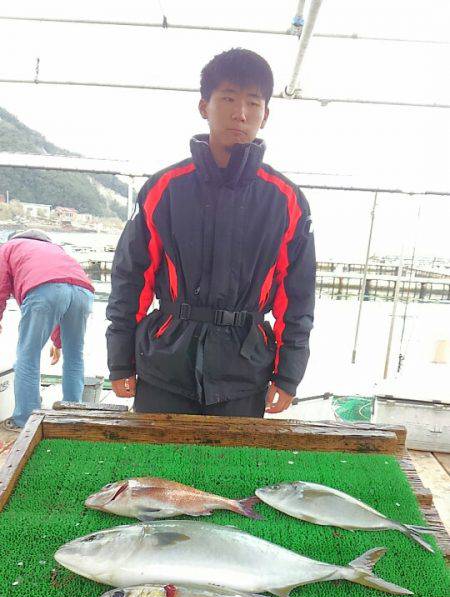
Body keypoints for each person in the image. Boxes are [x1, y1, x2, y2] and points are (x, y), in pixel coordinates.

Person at [107, 48, 316, 417]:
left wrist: (288, 374)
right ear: (204, 106)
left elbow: (297, 295)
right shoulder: (164, 189)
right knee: (151, 472)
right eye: (229, 98)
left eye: (253, 102)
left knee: (234, 474)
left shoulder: (286, 200)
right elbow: (130, 278)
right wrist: (120, 360)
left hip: (244, 372)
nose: (241, 113)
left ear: (265, 115)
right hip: (163, 369)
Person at [0, 229, 94, 430]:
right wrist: (58, 342)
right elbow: (64, 288)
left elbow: (1, 287)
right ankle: (72, 413)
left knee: (27, 357)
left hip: (44, 289)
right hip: (83, 291)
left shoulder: (8, 248)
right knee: (75, 356)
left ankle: (25, 420)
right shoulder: (55, 249)